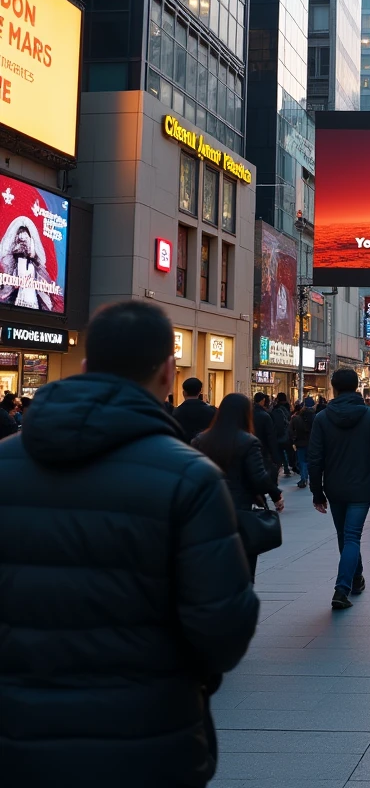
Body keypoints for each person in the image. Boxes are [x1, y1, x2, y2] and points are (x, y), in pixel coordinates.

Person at [0, 300, 259, 785]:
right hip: (147, 735)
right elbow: (222, 625)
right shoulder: (190, 478)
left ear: (83, 366)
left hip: (16, 734)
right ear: (167, 372)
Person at [308, 366, 370, 610]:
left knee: (345, 536)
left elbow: (315, 458)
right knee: (352, 536)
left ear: (333, 387)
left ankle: (355, 578)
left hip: (334, 487)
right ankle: (342, 588)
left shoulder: (322, 418)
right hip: (362, 486)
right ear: (357, 387)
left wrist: (317, 492)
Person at [194, 393, 284, 581]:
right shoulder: (248, 441)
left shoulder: (200, 440)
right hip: (239, 509)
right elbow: (258, 477)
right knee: (243, 564)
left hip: (206, 509)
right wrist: (276, 495)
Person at [173, 376, 217, 443]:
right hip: (204, 449)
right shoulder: (212, 411)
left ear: (184, 393)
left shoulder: (176, 412)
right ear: (200, 392)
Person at [252, 392, 278, 485]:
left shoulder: (248, 414)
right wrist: (275, 455)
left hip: (250, 448)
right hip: (264, 449)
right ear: (263, 401)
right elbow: (271, 436)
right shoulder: (265, 416)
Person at [289, 396, 315, 489]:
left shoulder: (296, 418)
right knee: (309, 461)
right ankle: (307, 477)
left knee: (301, 461)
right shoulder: (316, 417)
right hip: (312, 443)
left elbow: (290, 430)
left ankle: (303, 477)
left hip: (300, 443)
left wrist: (293, 439)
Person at [270, 392, 294, 475]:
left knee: (280, 450)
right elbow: (289, 418)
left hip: (277, 433)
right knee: (287, 450)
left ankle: (283, 466)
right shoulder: (287, 407)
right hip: (286, 433)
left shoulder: (275, 408)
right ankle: (288, 466)